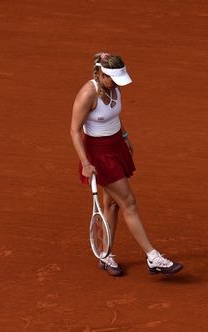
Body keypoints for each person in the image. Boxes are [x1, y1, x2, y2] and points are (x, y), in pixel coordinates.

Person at [70, 52, 183, 277]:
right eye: (112, 79)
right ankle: (153, 257)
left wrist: (124, 136)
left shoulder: (114, 87)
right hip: (99, 155)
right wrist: (85, 163)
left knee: (111, 205)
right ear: (101, 75)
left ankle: (105, 254)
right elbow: (74, 130)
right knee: (128, 202)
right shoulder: (87, 94)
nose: (117, 84)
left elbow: (114, 116)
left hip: (116, 147)